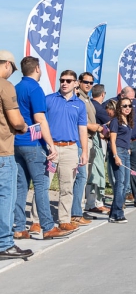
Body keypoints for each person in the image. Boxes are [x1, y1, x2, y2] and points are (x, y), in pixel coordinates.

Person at [13, 57, 66, 240]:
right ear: (37, 68)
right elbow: (40, 119)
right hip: (34, 144)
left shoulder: (16, 88)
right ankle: (48, 227)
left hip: (17, 142)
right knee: (41, 186)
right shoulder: (35, 89)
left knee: (21, 188)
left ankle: (19, 227)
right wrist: (51, 145)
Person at [0, 51, 34, 260]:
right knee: (6, 196)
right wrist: (23, 127)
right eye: (12, 69)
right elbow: (15, 120)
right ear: (7, 65)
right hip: (3, 151)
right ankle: (4, 243)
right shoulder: (4, 85)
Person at [45, 70, 89, 232]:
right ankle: (37, 220)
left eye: (68, 81)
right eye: (62, 80)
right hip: (51, 148)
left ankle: (64, 219)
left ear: (76, 83)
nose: (64, 83)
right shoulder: (49, 100)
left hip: (71, 148)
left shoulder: (80, 104)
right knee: (43, 185)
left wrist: (84, 151)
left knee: (67, 187)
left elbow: (82, 130)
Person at [72, 71, 101, 225]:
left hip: (89, 138)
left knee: (84, 177)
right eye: (86, 82)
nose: (88, 85)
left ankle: (78, 210)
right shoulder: (78, 98)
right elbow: (79, 121)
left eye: (91, 83)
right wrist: (94, 127)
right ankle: (75, 212)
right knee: (80, 177)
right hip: (81, 139)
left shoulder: (87, 98)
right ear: (79, 82)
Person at [85, 83, 110, 215]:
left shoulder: (91, 104)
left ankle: (93, 202)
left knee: (94, 172)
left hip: (94, 141)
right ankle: (93, 203)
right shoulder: (98, 108)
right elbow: (109, 125)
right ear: (103, 94)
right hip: (96, 142)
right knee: (96, 172)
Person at [108, 98, 134, 224]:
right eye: (124, 106)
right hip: (118, 152)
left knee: (125, 183)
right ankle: (118, 213)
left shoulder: (128, 121)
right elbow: (112, 140)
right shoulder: (115, 121)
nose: (127, 108)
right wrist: (115, 155)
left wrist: (128, 148)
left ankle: (113, 213)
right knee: (120, 183)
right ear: (120, 107)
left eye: (129, 105)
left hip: (125, 152)